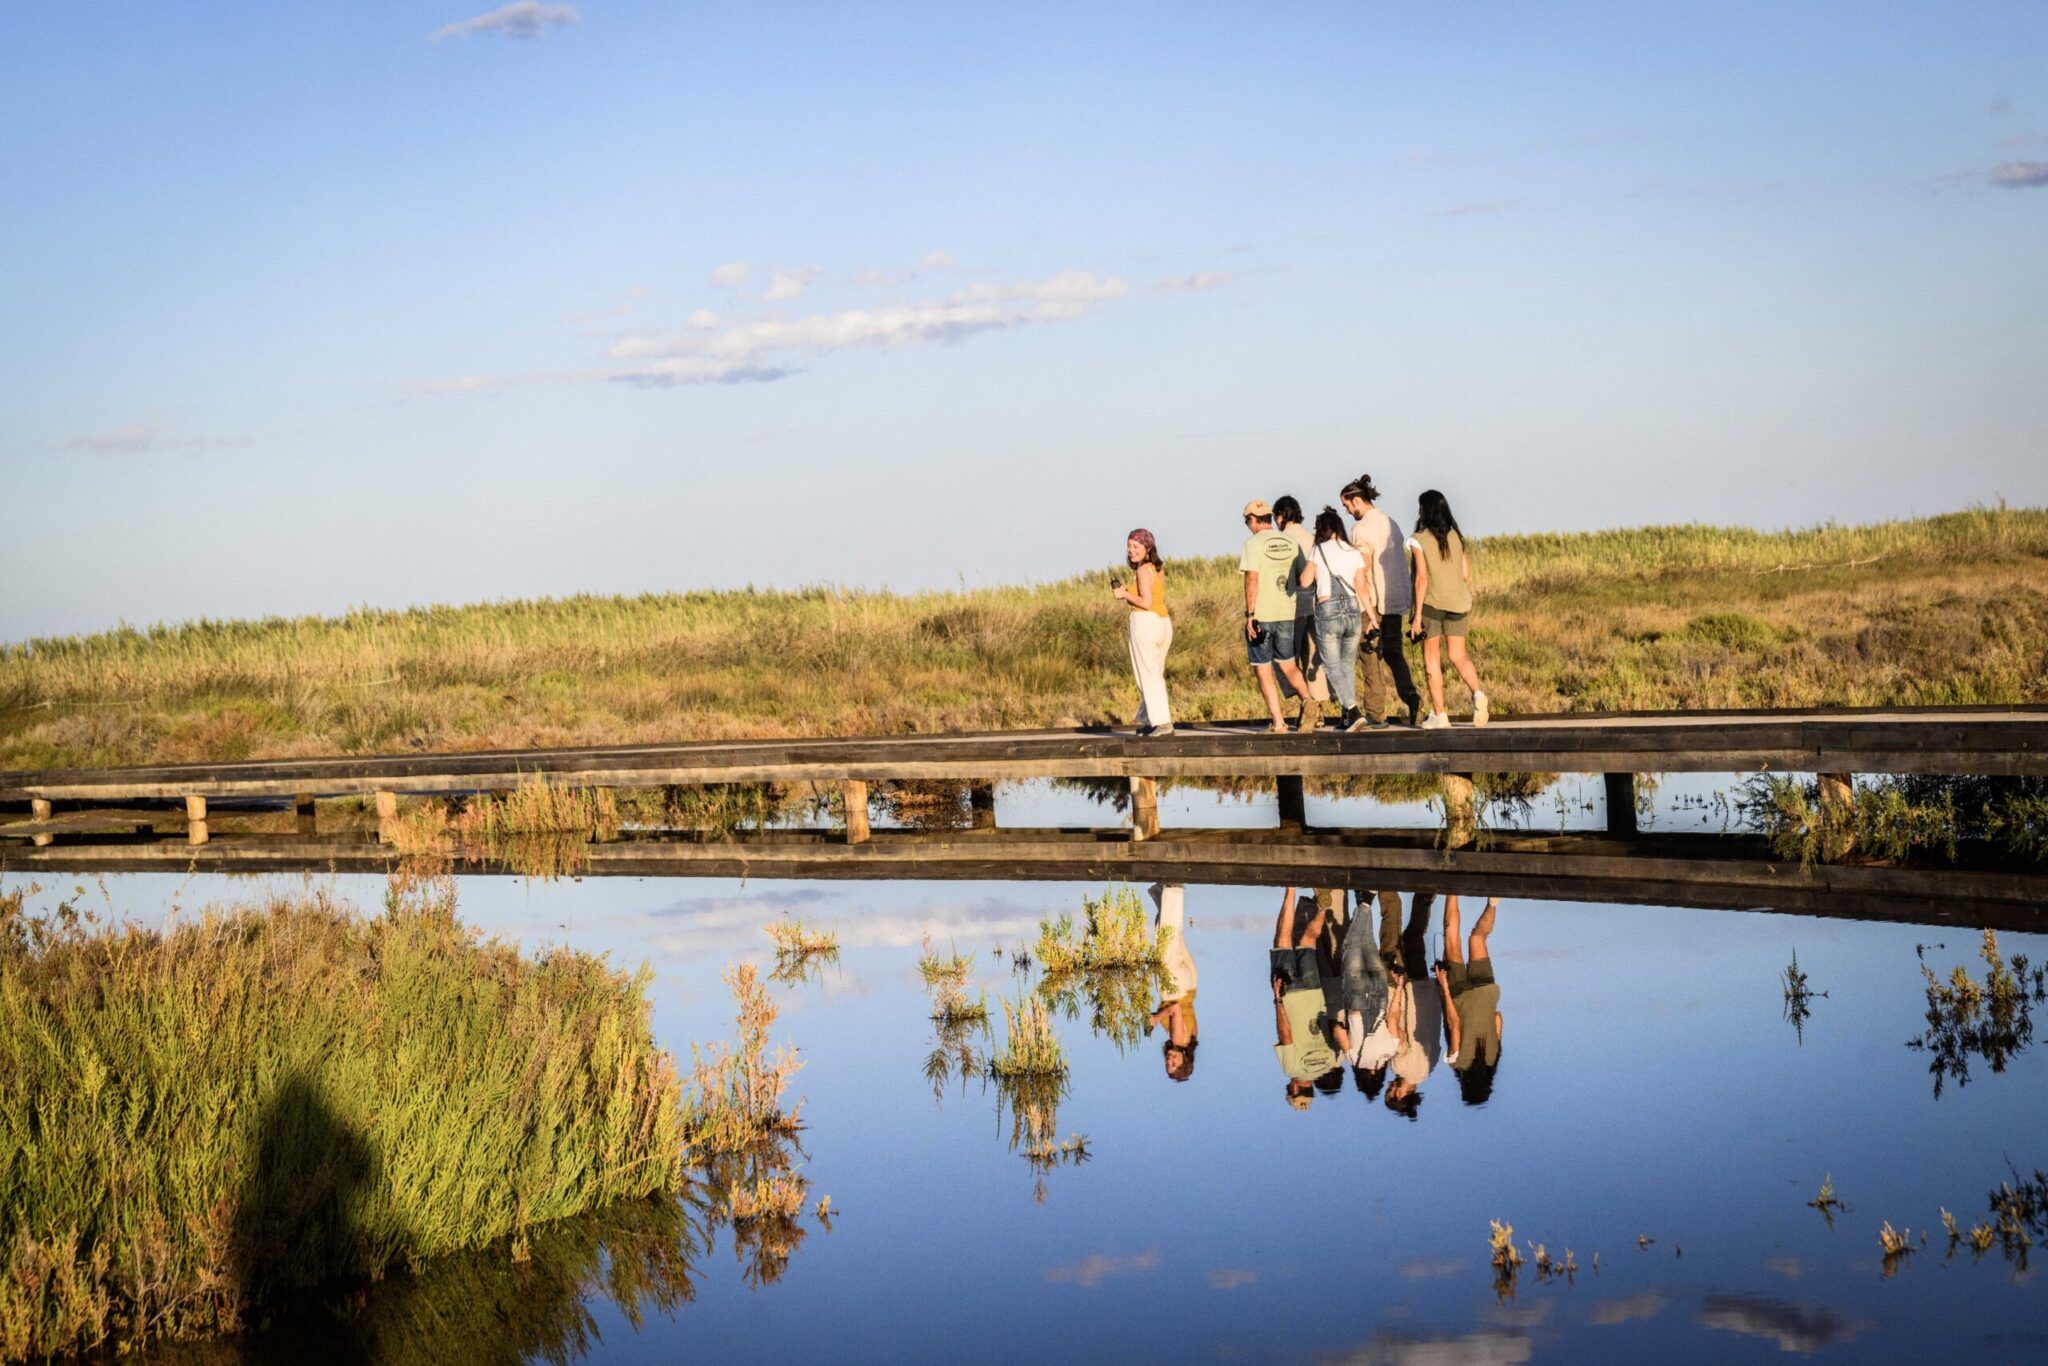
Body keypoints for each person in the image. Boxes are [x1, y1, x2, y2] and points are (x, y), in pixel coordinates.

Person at [1342, 475, 1423, 728]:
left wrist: (1365, 607)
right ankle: (1411, 696)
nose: (1348, 511)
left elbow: (1363, 567)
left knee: (1370, 657)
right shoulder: (1391, 522)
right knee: (1393, 652)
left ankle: (1376, 714)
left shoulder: (1361, 528)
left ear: (1356, 500)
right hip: (1395, 598)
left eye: (1347, 506)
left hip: (1373, 602)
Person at [1406, 490, 1490, 730]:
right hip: (1459, 602)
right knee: (1458, 656)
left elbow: (1421, 579)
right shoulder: (1456, 536)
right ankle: (1478, 694)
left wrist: (1417, 616)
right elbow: (1465, 574)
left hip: (1432, 604)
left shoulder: (1417, 539)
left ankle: (1440, 715)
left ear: (1426, 510)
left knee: (1431, 658)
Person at [1238, 500, 1318, 733]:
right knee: (1288, 664)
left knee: (1263, 668)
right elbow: (1303, 574)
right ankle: (1308, 701)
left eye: (1247, 521)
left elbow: (1251, 579)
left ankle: (1278, 722)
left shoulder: (1252, 543)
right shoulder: (1290, 541)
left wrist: (1250, 614)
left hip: (1262, 615)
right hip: (1286, 613)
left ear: (1253, 519)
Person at [1271, 885, 1343, 1109]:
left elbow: (1335, 1028)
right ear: (1294, 1089)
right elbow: (1286, 1035)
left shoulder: (1330, 1063)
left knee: (1308, 942)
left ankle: (1322, 909)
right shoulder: (1292, 1069)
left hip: (1314, 995)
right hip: (1290, 996)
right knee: (1282, 944)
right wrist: (1278, 1000)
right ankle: (1290, 889)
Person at [1308, 507, 1375, 732]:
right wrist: (1373, 618)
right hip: (1354, 611)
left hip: (1329, 611)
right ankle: (1347, 718)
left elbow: (1305, 580)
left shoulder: (1318, 550)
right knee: (1347, 666)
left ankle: (1352, 709)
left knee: (1331, 665)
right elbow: (1362, 588)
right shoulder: (1353, 552)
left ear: (1322, 530)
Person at [1439, 894, 1503, 1105]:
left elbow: (1498, 1019)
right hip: (1460, 996)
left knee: (1477, 938)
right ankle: (1451, 890)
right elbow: (1454, 1023)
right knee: (1452, 939)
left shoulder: (1494, 1057)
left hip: (1486, 993)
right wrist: (1443, 985)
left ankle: (1492, 904)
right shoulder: (1456, 1062)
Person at [1271, 496, 1328, 726]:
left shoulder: (1281, 541)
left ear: (1281, 516)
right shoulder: (1312, 539)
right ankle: (1319, 711)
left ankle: (1305, 704)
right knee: (1313, 658)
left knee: (1285, 659)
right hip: (1313, 606)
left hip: (1290, 607)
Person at [1383, 891, 1441, 1117]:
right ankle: (1389, 896)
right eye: (1389, 1092)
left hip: (1426, 994)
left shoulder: (1430, 1067)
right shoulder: (1399, 1067)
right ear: (1399, 1095)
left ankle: (1424, 898)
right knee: (1392, 946)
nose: (1388, 1086)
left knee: (1414, 941)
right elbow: (1397, 1029)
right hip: (1406, 993)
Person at [1111, 529, 1173, 737]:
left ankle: (1163, 723)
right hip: (1163, 622)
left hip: (1146, 622)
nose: (1131, 551)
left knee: (1147, 675)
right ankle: (1151, 720)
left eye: (1136, 546)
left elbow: (1145, 602)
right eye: (1129, 546)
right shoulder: (1157, 569)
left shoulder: (1142, 571)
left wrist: (1124, 594)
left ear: (1148, 548)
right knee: (1154, 672)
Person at [1146, 883, 1198, 1081]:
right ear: (1184, 1059)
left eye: (1168, 1064)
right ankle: (1173, 888)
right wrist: (1155, 1019)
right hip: (1175, 989)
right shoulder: (1178, 1040)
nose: (1169, 1061)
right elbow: (1175, 1008)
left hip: (1190, 985)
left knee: (1172, 935)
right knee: (1166, 936)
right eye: (1174, 1064)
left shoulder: (1193, 1037)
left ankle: (1163, 892)